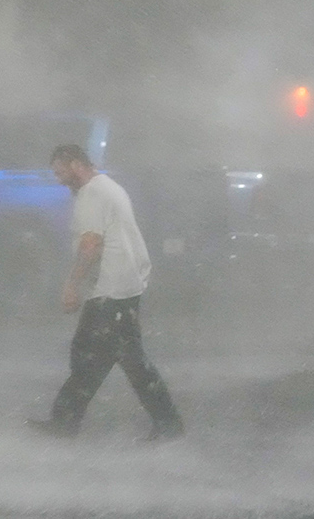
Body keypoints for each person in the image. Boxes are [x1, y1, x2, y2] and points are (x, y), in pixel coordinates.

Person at [27, 143, 184, 441]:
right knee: (96, 356)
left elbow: (91, 245)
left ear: (75, 164)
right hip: (121, 288)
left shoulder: (92, 194)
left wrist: (71, 286)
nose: (59, 181)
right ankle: (65, 422)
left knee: (124, 361)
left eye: (61, 173)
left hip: (111, 292)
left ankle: (167, 426)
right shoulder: (109, 187)